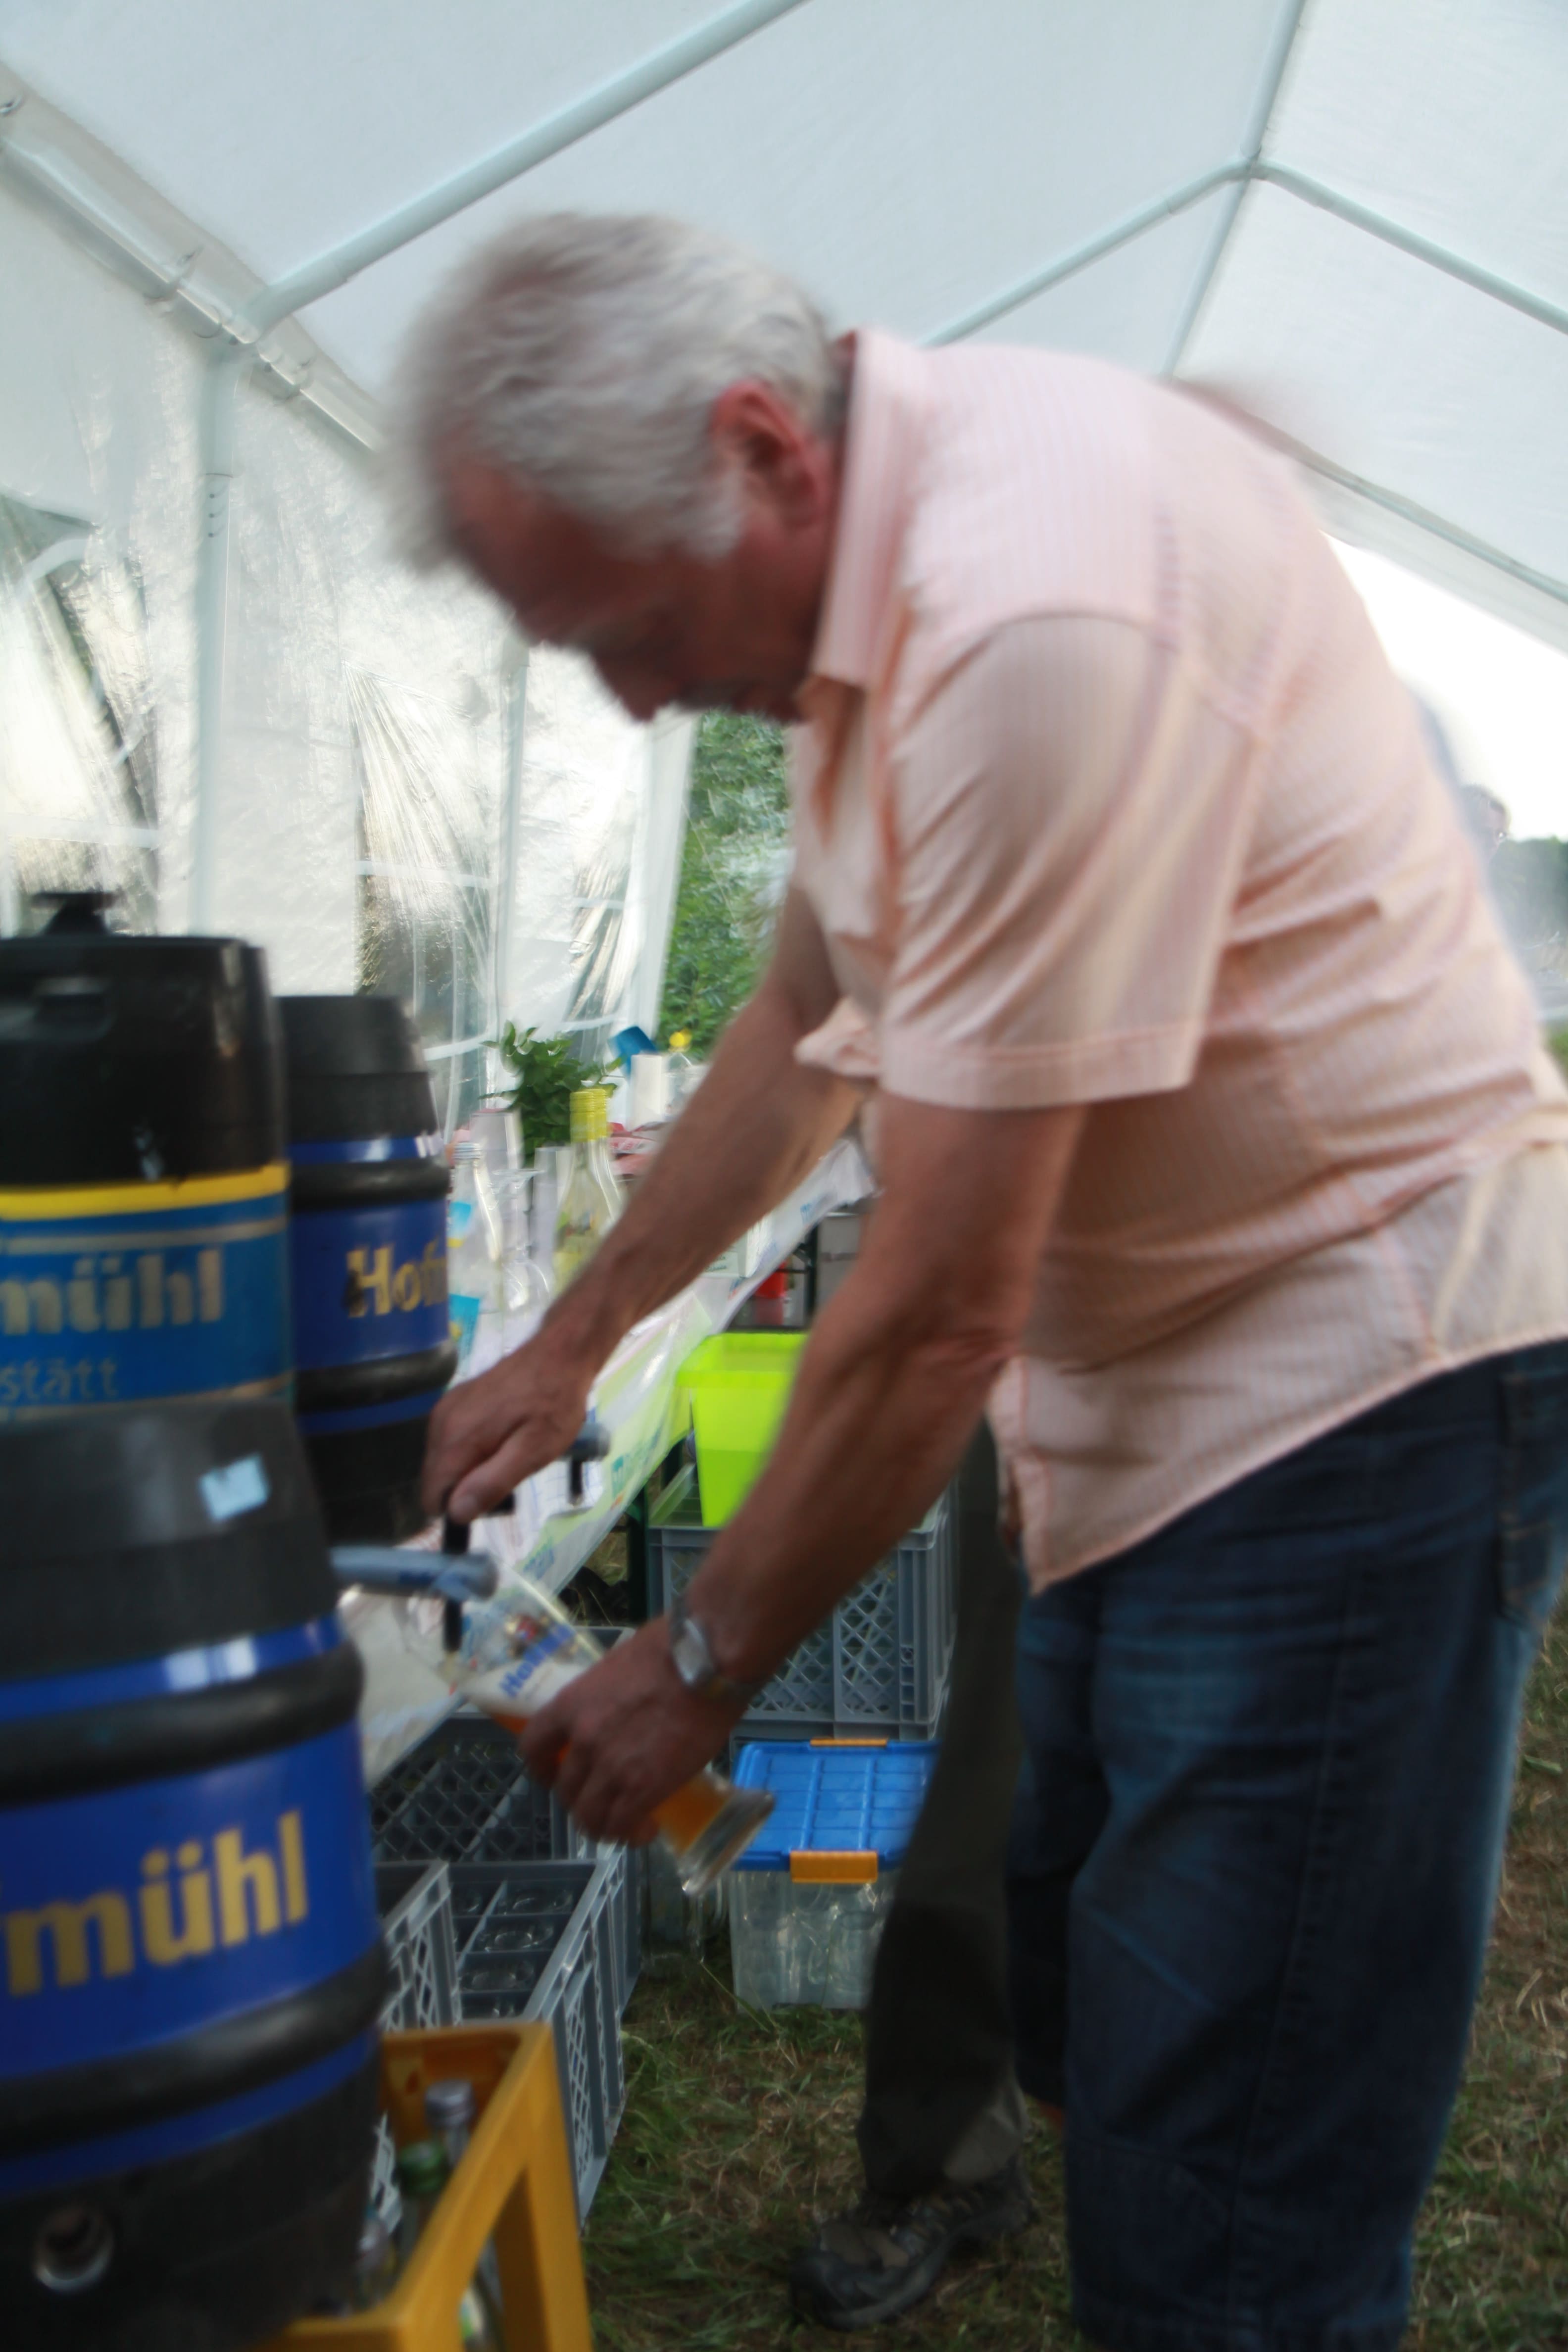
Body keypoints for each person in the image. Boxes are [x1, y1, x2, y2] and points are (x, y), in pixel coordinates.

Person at [394, 214, 1568, 2352]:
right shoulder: (872, 591)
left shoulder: (1031, 623)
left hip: (1354, 1403)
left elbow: (941, 1297)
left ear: (766, 449)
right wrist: (576, 1336)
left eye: (633, 625)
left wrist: (704, 1658)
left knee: (1235, 2177)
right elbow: (799, 1018)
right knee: (1108, 2016)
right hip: (1141, 1401)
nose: (635, 695)